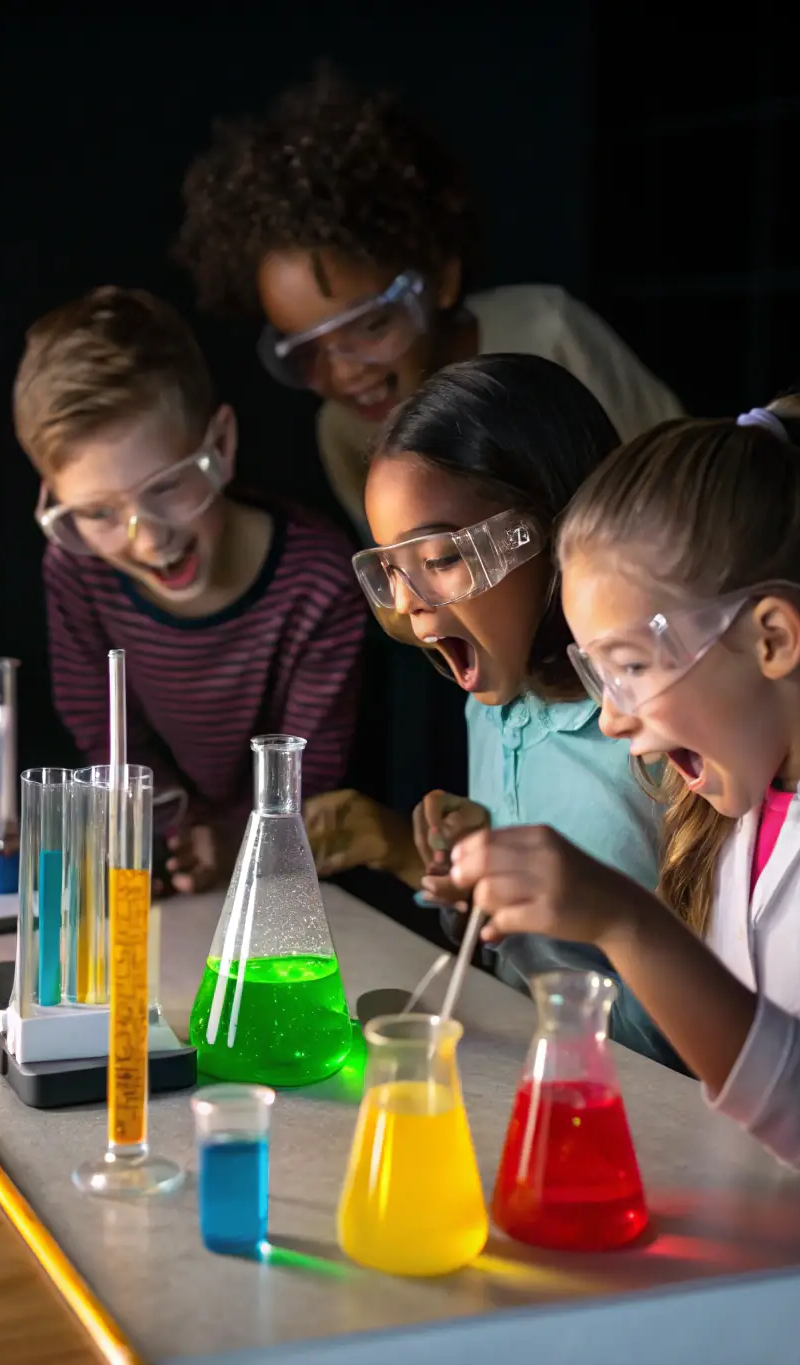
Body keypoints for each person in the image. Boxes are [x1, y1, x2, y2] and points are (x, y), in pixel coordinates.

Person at [447, 395, 800, 1189]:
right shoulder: (752, 793)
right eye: (598, 673)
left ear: (772, 637)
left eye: (632, 666)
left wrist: (623, 919)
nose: (611, 718)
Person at [308, 353, 681, 1066]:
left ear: (556, 530)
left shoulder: (659, 729)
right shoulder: (491, 707)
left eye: (441, 559)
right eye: (391, 568)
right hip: (533, 1079)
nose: (409, 603)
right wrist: (468, 878)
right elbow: (519, 961)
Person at [174, 66, 683, 542]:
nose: (345, 372)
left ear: (439, 278)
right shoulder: (343, 431)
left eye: (372, 326)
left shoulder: (548, 330)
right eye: (307, 351)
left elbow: (677, 478)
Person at [13, 286, 367, 894]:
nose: (149, 540)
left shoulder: (320, 579)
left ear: (221, 445)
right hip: (162, 860)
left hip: (286, 875)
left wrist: (235, 843)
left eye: (168, 486)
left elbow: (309, 772)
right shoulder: (76, 570)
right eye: (97, 513)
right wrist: (169, 832)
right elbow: (101, 728)